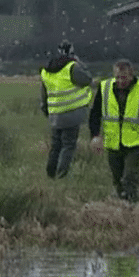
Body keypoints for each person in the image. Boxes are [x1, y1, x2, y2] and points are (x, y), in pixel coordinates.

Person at [89, 59, 139, 203]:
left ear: (131, 75)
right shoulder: (104, 88)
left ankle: (132, 208)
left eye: (124, 77)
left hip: (136, 143)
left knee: (129, 179)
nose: (120, 81)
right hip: (113, 143)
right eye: (117, 77)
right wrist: (95, 135)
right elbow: (95, 114)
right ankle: (125, 208)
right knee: (117, 181)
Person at [40, 40, 93, 179]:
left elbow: (44, 93)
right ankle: (61, 175)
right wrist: (79, 63)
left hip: (54, 115)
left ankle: (50, 173)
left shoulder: (47, 70)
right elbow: (87, 79)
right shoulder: (73, 67)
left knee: (56, 146)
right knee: (68, 146)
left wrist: (46, 110)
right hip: (71, 113)